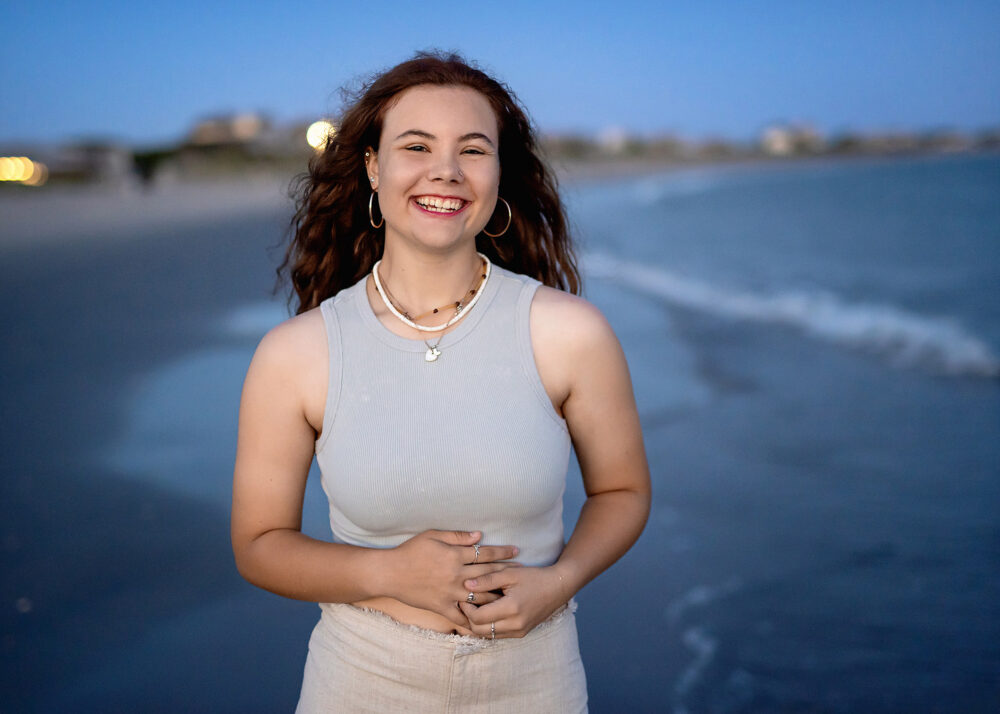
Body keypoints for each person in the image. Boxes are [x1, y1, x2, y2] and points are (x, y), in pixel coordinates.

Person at [231, 50, 651, 713]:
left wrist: (561, 580)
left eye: (473, 150)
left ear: (499, 172)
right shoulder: (299, 354)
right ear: (374, 165)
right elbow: (259, 546)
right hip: (361, 683)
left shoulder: (569, 334)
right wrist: (387, 571)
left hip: (536, 683)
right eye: (417, 145)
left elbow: (624, 491)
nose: (446, 171)